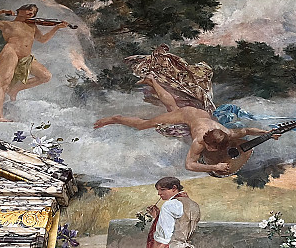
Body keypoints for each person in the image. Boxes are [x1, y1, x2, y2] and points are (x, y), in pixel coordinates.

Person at [93, 75, 277, 175]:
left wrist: (268, 133)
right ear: (206, 141)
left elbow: (247, 130)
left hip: (202, 115)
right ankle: (116, 118)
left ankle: (152, 80)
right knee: (146, 124)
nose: (210, 150)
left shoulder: (227, 133)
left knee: (171, 106)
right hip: (187, 115)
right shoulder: (199, 141)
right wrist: (214, 167)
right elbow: (189, 165)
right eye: (210, 147)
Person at [0, 4, 68, 122]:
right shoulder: (8, 25)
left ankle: (15, 89)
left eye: (33, 12)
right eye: (29, 10)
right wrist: (1, 11)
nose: (31, 13)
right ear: (19, 10)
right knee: (4, 83)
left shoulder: (32, 26)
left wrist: (56, 28)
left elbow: (42, 39)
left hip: (26, 57)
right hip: (11, 53)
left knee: (45, 76)